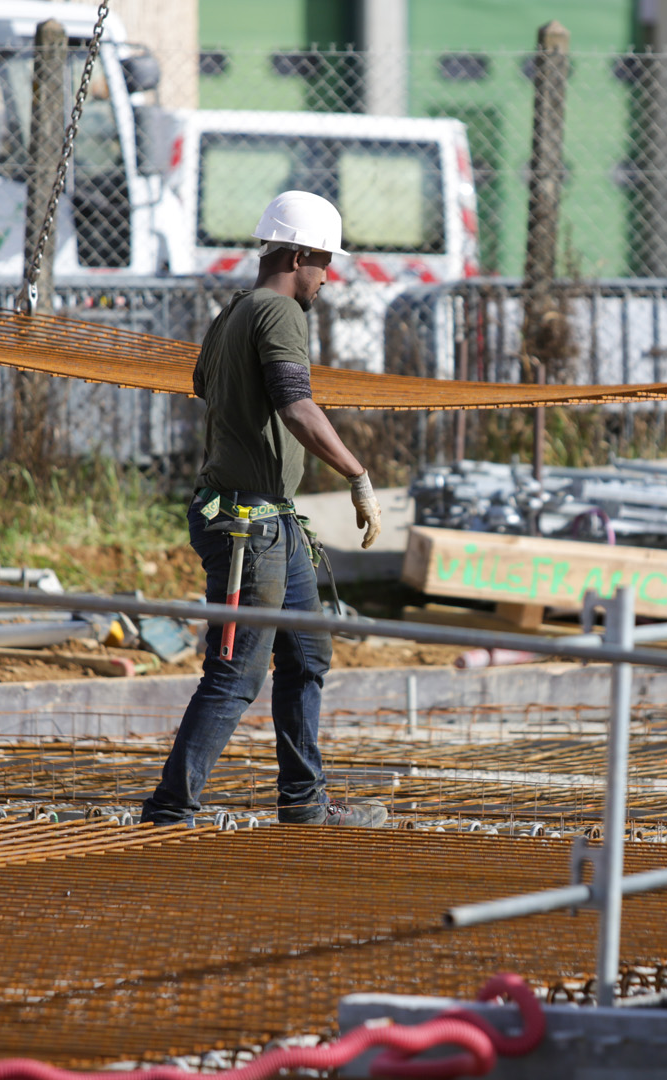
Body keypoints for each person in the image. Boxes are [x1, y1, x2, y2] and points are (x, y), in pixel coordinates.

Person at [141, 191, 386, 828]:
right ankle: (170, 811)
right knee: (237, 671)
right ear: (298, 254)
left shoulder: (233, 315)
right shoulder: (278, 311)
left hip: (269, 517)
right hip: (252, 524)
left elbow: (205, 386)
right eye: (324, 263)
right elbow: (295, 403)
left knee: (306, 654)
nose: (327, 278)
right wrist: (356, 474)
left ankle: (304, 803)